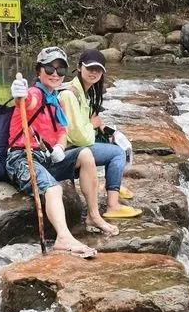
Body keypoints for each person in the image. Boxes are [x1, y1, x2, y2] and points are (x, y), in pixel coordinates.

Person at [6, 46, 120, 255]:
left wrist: (59, 147)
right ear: (39, 70)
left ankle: (93, 215)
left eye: (60, 70)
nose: (55, 74)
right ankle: (63, 237)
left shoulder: (54, 99)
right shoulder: (35, 93)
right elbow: (26, 102)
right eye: (50, 68)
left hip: (47, 156)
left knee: (85, 154)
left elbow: (62, 131)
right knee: (54, 188)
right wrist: (18, 94)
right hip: (23, 157)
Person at [59, 49, 141, 221]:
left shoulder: (85, 92)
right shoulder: (69, 94)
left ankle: (113, 185)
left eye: (98, 69)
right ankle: (113, 206)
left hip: (76, 144)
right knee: (117, 153)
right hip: (69, 150)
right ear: (79, 68)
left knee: (115, 141)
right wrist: (93, 125)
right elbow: (78, 136)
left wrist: (102, 127)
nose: (94, 72)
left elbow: (85, 124)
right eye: (90, 68)